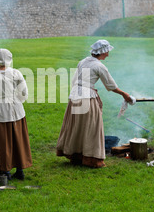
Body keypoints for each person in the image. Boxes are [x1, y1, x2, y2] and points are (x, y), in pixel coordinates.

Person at [56, 40, 132, 168]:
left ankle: (76, 155)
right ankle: (91, 159)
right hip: (87, 98)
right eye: (107, 51)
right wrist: (125, 94)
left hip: (75, 95)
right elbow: (111, 85)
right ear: (102, 52)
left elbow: (76, 80)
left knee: (77, 126)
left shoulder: (83, 61)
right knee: (91, 127)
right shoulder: (99, 66)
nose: (108, 54)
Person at [0, 49, 32, 180]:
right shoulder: (16, 73)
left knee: (1, 142)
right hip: (16, 111)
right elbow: (24, 94)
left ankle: (5, 171)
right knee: (17, 140)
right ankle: (19, 170)